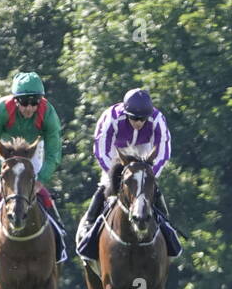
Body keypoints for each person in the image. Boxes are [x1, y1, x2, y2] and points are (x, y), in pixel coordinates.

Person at [0, 71, 66, 266]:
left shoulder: (48, 112)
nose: (29, 108)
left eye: (34, 102)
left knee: (38, 190)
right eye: (24, 102)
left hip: (33, 149)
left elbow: (54, 152)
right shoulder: (2, 109)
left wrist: (41, 178)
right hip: (7, 147)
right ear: (15, 100)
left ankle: (58, 231)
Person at [77, 87, 180, 257]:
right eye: (134, 118)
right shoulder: (111, 118)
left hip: (144, 149)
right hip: (117, 151)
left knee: (148, 186)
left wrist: (149, 174)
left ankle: (166, 225)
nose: (138, 123)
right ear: (126, 114)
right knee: (105, 185)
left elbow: (163, 152)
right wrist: (116, 175)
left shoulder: (158, 120)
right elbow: (101, 150)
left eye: (142, 119)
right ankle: (89, 222)